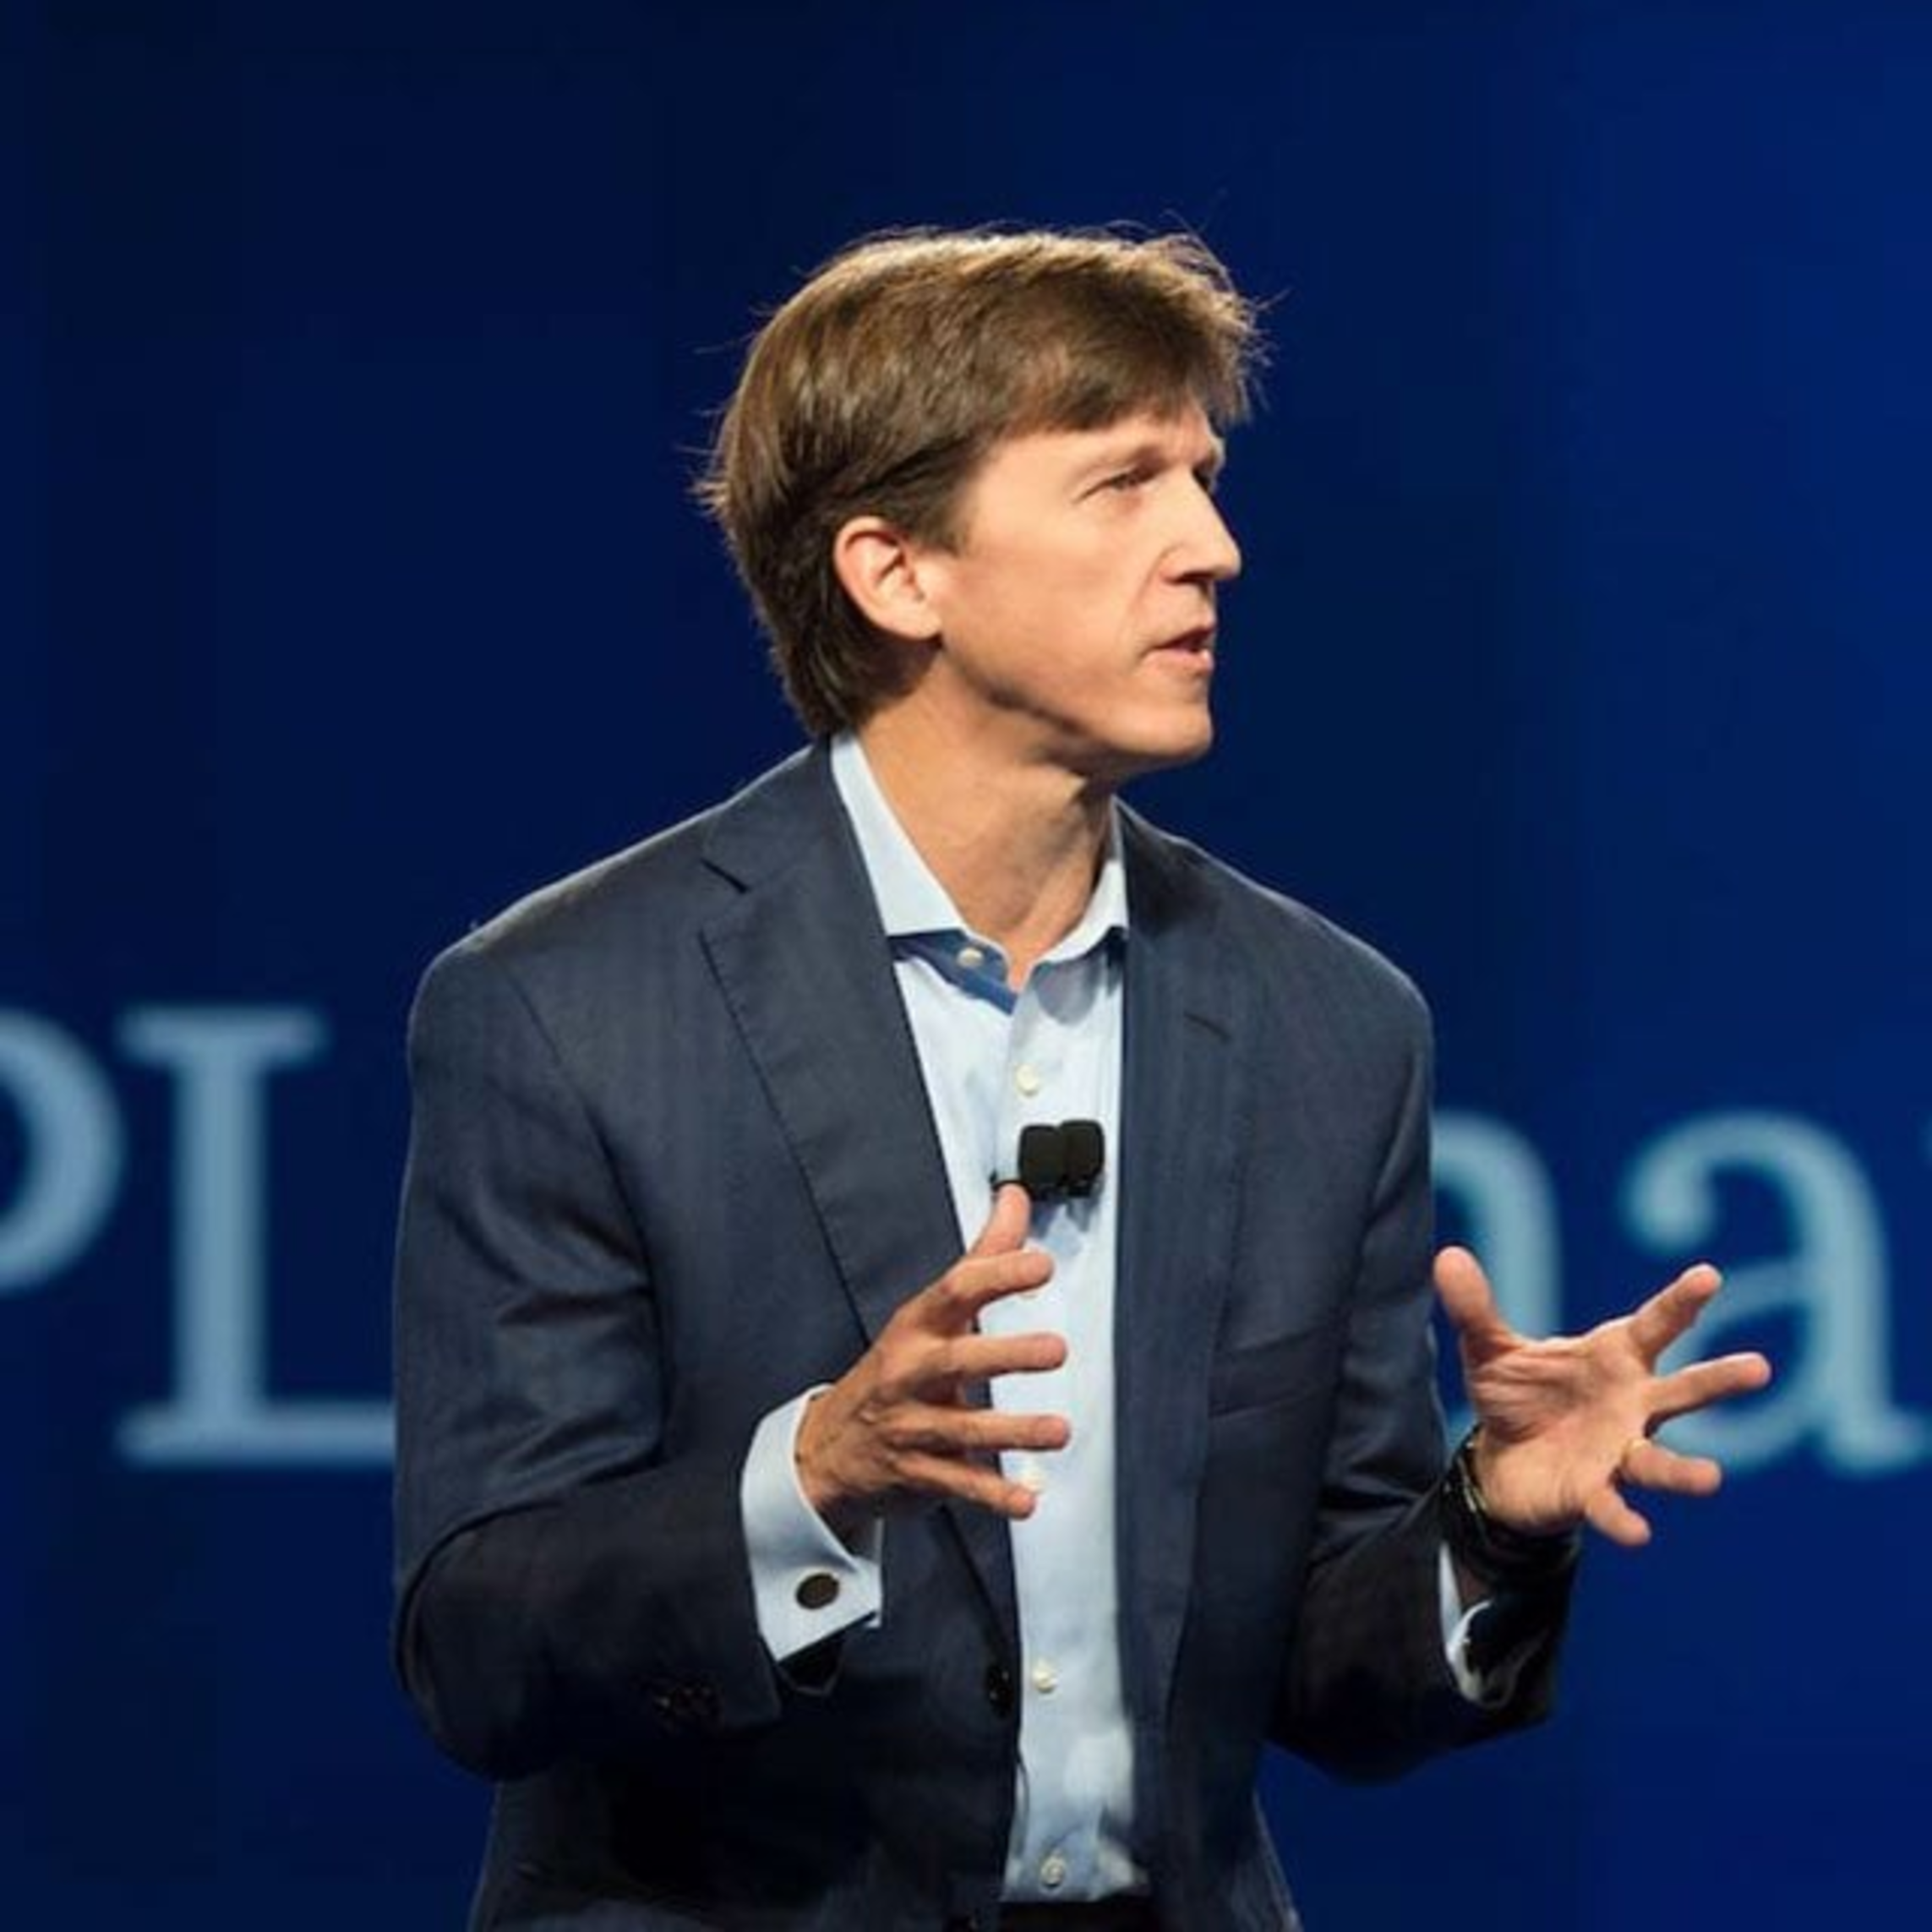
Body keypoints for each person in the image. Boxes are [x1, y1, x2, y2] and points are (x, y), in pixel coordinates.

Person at [391, 227, 1771, 1932]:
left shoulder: (1328, 1021)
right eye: (1123, 484)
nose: (1213, 547)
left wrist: (1488, 1520)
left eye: (1202, 478)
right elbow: (479, 1648)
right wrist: (807, 1480)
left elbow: (1335, 1681)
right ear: (899, 571)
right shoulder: (572, 1007)